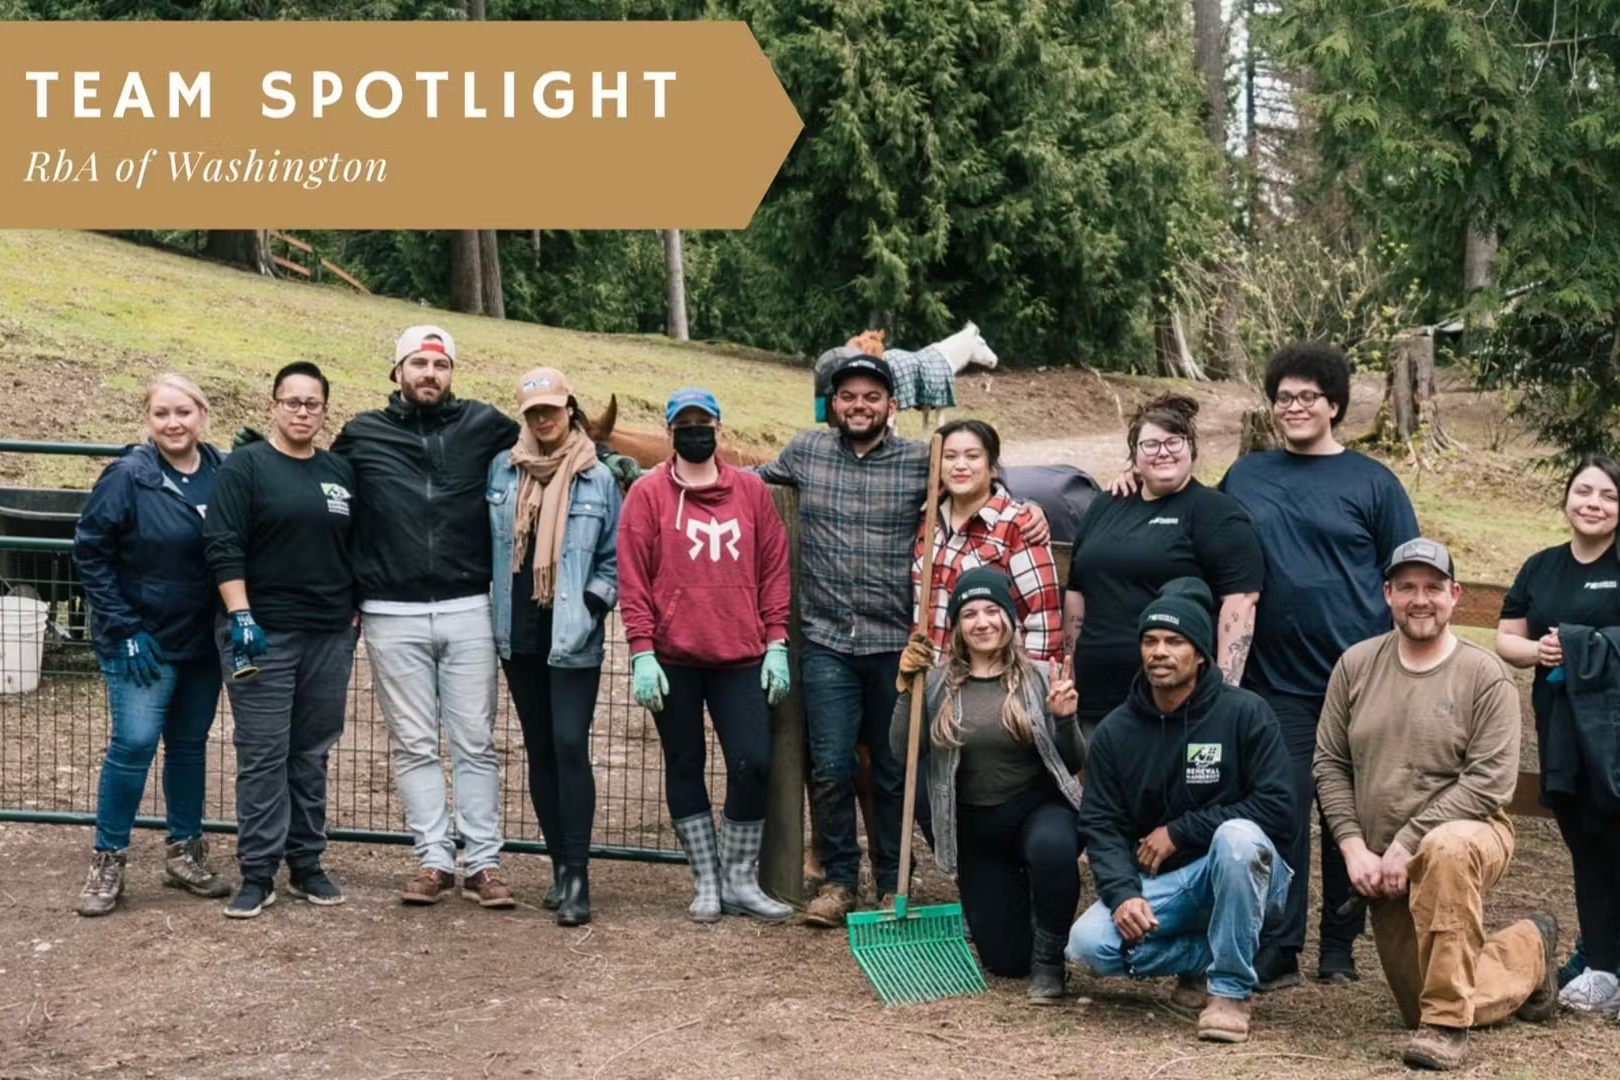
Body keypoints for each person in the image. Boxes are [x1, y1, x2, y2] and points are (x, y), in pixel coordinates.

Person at [1116, 343, 1421, 987]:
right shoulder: (1249, 475)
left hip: (1360, 680)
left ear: (1334, 404)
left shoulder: (1373, 481)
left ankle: (1340, 944)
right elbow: (1202, 525)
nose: (1295, 407)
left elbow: (1407, 576)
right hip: (1273, 681)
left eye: (1309, 396)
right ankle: (1278, 944)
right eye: (1284, 397)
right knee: (1279, 810)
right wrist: (1133, 486)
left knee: (1355, 814)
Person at [752, 354, 1050, 927]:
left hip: (896, 644)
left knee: (892, 769)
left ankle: (893, 881)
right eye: (848, 396)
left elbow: (979, 479)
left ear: (892, 405)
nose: (859, 406)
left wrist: (1027, 508)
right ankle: (839, 880)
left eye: (871, 396)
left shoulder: (923, 459)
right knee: (832, 766)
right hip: (827, 640)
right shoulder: (805, 451)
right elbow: (745, 482)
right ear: (833, 403)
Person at [1316, 537, 1558, 1071]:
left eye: (1432, 588)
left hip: (1473, 836)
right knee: (1417, 999)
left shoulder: (1484, 675)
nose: (1419, 599)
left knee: (1444, 847)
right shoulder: (1355, 666)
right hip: (1382, 861)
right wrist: (1354, 848)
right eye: (1406, 588)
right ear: (1388, 594)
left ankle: (1447, 1026)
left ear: (1455, 596)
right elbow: (1329, 763)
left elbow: (1490, 783)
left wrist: (1407, 843)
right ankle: (1529, 951)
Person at [331, 326, 521, 909]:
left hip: (468, 605)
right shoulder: (362, 435)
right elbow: (314, 479)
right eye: (418, 363)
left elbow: (553, 438)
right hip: (391, 610)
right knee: (413, 742)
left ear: (452, 372)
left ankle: (484, 861)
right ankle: (434, 858)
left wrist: (606, 458)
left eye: (439, 365)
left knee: (474, 741)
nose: (429, 374)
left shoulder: (486, 426)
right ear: (397, 372)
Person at [1066, 577, 1295, 1045]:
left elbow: (1278, 808)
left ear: (1200, 655)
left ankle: (1229, 992)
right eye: (1150, 641)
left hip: (1244, 878)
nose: (1160, 652)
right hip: (1166, 888)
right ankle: (1208, 956)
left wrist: (1181, 830)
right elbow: (1101, 824)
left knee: (1236, 836)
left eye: (1175, 641)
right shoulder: (1115, 732)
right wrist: (1124, 893)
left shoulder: (1245, 714)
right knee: (1087, 945)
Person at [617, 388, 794, 923]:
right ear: (669, 432)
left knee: (753, 763)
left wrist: (776, 642)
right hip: (673, 656)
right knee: (685, 761)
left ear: (719, 428)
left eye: (704, 422)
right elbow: (633, 580)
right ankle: (707, 879)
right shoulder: (646, 495)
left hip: (740, 654)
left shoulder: (751, 492)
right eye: (684, 424)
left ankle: (740, 877)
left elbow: (774, 570)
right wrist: (641, 651)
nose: (696, 431)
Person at [71, 374, 231, 916]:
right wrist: (122, 626)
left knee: (189, 746)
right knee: (134, 745)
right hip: (141, 640)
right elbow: (91, 553)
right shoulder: (128, 476)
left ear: (201, 414)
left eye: (183, 411)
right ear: (148, 419)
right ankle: (108, 860)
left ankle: (185, 852)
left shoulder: (222, 472)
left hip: (202, 640)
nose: (174, 423)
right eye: (162, 413)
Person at [203, 361, 357, 919]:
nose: (301, 411)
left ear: (323, 411)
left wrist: (353, 611)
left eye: (311, 403)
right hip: (260, 633)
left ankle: (307, 862)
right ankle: (257, 871)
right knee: (263, 752)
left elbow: (355, 547)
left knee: (310, 752)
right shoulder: (245, 467)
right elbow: (223, 543)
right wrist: (240, 615)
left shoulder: (339, 471)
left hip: (328, 634)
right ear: (272, 406)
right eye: (291, 402)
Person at [892, 567, 1084, 1003]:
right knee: (1005, 962)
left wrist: (1066, 718)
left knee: (1052, 848)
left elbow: (1072, 762)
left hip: (1035, 809)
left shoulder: (1038, 676)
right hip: (977, 827)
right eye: (970, 613)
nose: (983, 622)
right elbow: (902, 753)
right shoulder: (937, 681)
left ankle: (1051, 962)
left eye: (993, 610)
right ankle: (1021, 912)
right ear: (957, 626)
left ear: (1009, 620)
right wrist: (907, 689)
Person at [487, 367, 621, 926]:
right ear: (525, 417)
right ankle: (559, 867)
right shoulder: (503, 468)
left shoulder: (598, 476)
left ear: (570, 409)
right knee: (539, 748)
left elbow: (615, 557)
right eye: (534, 412)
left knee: (569, 744)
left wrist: (593, 603)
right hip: (518, 632)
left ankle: (580, 875)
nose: (544, 419)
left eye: (553, 409)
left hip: (571, 632)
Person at [1496, 454, 1620, 1015]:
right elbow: (1507, 639)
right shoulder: (1540, 566)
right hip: (1560, 725)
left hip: (1614, 727)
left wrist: (1581, 643)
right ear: (1567, 499)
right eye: (1584, 491)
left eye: (1608, 495)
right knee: (1583, 834)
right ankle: (1600, 960)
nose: (1593, 503)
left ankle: (1606, 958)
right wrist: (1542, 649)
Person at [1065, 394, 1264, 744]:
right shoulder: (1105, 506)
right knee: (1099, 797)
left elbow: (1241, 601)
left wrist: (1222, 693)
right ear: (1135, 456)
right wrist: (1070, 664)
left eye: (1174, 441)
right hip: (1095, 700)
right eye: (1151, 444)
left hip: (1175, 700)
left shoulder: (1214, 513)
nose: (1163, 452)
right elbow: (1077, 592)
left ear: (1192, 449)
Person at [912, 420, 1062, 664]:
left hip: (993, 681)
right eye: (949, 457)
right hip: (930, 679)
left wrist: (1030, 686)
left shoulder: (1017, 524)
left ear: (992, 467)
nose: (960, 465)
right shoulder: (925, 519)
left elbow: (1042, 622)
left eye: (972, 456)